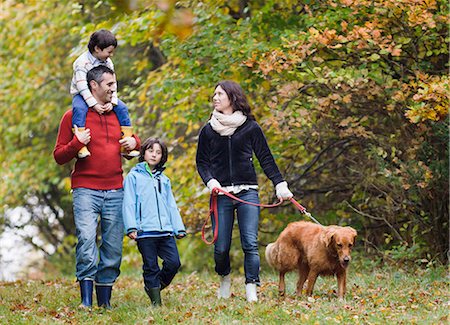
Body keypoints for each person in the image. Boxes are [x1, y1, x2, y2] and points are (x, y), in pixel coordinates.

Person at [195, 80, 293, 303]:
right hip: (221, 195)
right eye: (214, 94)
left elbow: (265, 158)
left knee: (250, 242)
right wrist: (210, 182)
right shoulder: (208, 130)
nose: (215, 98)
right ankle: (225, 277)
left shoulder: (250, 127)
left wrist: (280, 183)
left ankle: (251, 288)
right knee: (220, 247)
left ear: (232, 97)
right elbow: (202, 163)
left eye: (220, 94)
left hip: (247, 191)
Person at [54, 65, 141, 309]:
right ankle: (85, 300)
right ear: (94, 86)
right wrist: (76, 143)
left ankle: (105, 302)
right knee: (86, 240)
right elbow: (59, 156)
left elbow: (136, 144)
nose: (114, 89)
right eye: (109, 85)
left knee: (113, 245)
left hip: (116, 189)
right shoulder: (73, 116)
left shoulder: (119, 114)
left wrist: (132, 143)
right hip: (85, 190)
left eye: (114, 84)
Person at [122, 137, 186, 306]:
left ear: (162, 156)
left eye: (158, 152)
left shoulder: (164, 180)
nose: (154, 155)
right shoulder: (133, 177)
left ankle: (154, 286)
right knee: (151, 267)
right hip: (144, 232)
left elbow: (171, 205)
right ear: (143, 153)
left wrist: (178, 227)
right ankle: (156, 303)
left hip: (165, 231)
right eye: (151, 151)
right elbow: (129, 203)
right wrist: (131, 227)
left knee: (174, 263)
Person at [70, 29, 139, 158]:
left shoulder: (108, 62)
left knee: (122, 108)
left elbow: (112, 83)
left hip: (103, 94)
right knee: (79, 109)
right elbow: (82, 87)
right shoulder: (81, 63)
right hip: (82, 94)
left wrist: (112, 101)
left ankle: (125, 145)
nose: (111, 55)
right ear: (97, 48)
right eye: (109, 51)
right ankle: (81, 146)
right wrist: (94, 104)